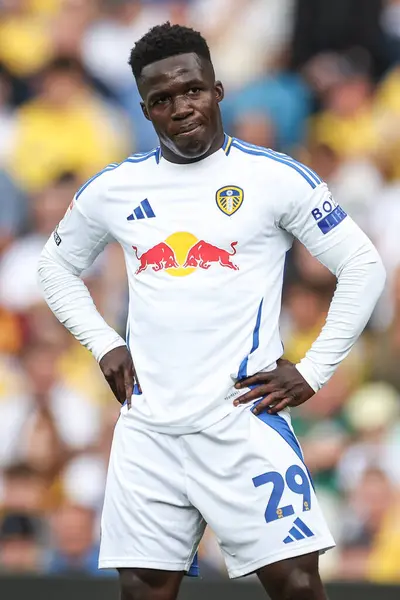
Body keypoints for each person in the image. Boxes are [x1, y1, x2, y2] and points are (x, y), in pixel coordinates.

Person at [38, 22, 386, 600]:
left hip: (240, 420)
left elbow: (363, 265)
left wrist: (314, 369)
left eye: (192, 90)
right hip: (148, 429)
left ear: (218, 89)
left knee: (297, 584)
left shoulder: (273, 178)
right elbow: (53, 268)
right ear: (146, 110)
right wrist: (105, 343)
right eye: (162, 100)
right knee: (145, 590)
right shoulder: (114, 189)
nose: (181, 107)